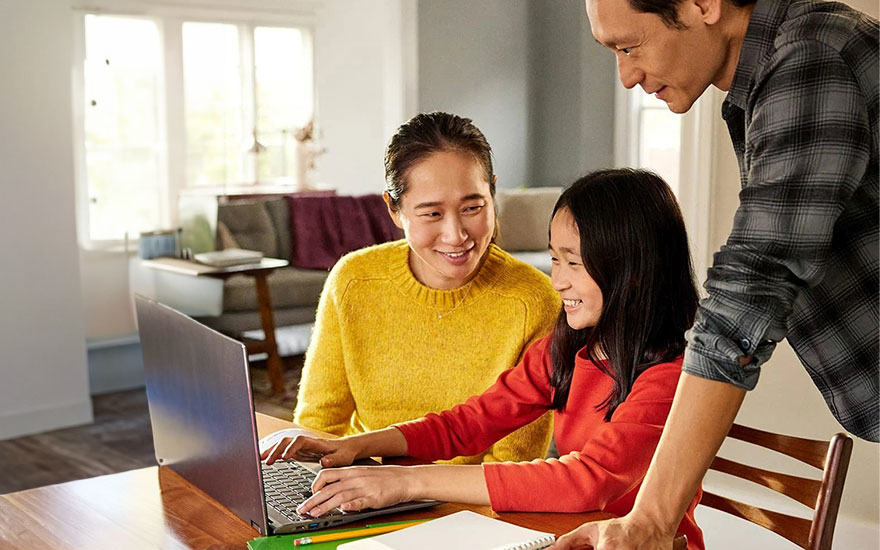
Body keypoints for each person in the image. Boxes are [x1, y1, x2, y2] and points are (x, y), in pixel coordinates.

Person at [551, 1, 878, 548]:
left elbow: (749, 293)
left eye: (630, 47)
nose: (627, 76)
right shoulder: (775, 76)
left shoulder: (811, 59)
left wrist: (651, 520)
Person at [265, 169, 706, 549]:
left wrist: (405, 482)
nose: (556, 281)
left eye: (573, 263)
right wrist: (360, 444)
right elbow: (470, 423)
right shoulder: (571, 350)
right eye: (554, 259)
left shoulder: (670, 379)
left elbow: (584, 480)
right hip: (563, 534)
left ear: (633, 270)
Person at [292, 111, 558, 464]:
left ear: (493, 192)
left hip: (469, 508)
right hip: (360, 491)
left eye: (473, 207)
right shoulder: (354, 280)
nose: (456, 235)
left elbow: (512, 467)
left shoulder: (534, 301)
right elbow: (318, 426)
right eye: (432, 214)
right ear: (394, 210)